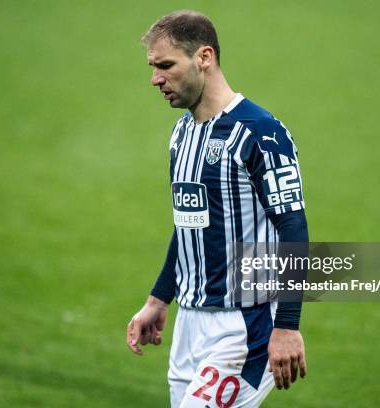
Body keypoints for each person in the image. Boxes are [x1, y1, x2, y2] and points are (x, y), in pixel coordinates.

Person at [127, 10, 309, 407]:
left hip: (246, 325)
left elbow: (294, 228)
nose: (155, 79)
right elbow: (190, 225)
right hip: (189, 325)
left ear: (204, 58)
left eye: (166, 65)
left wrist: (288, 326)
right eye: (154, 67)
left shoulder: (260, 132)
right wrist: (159, 300)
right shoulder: (182, 134)